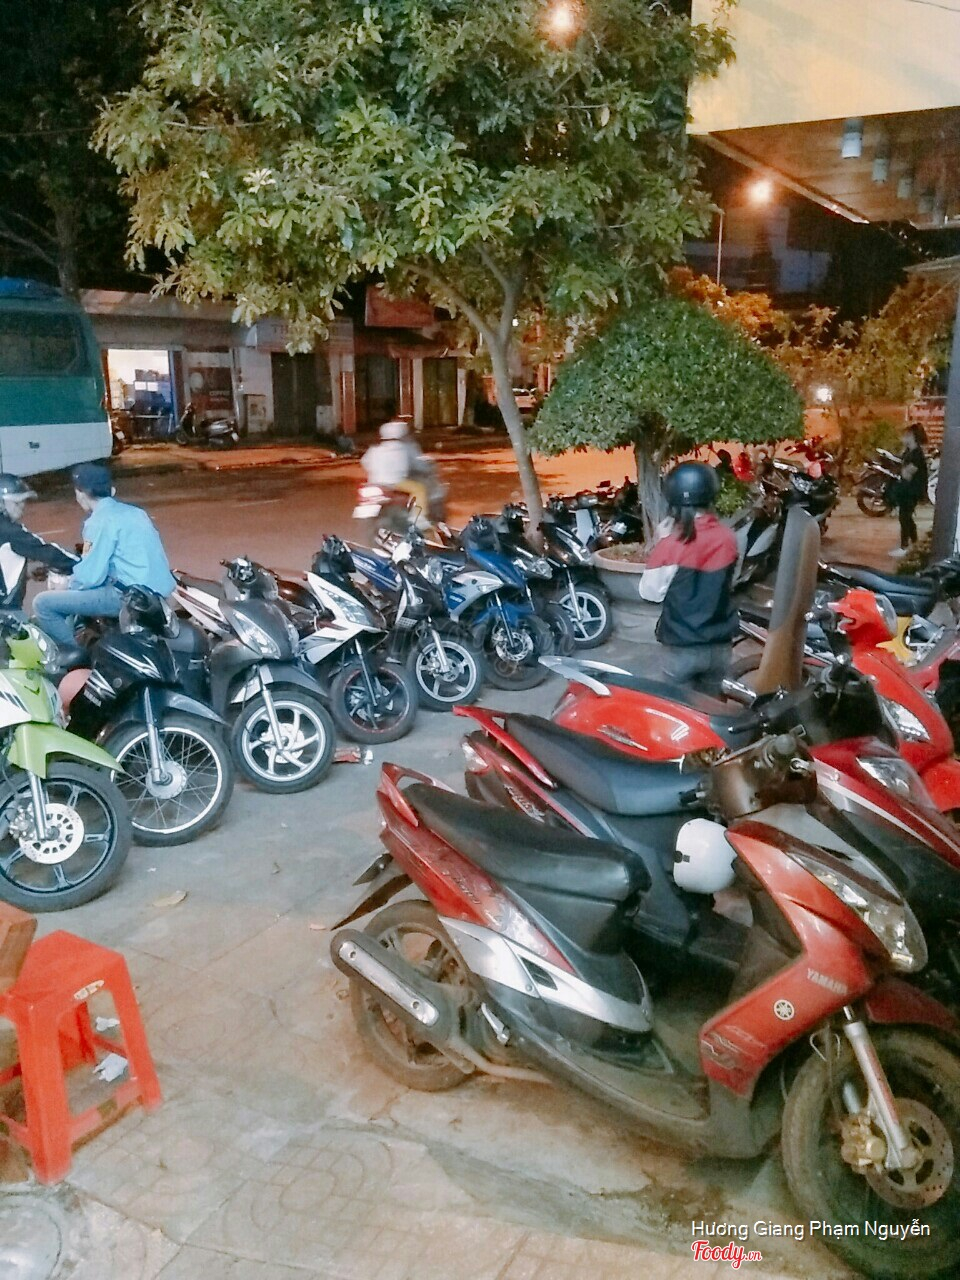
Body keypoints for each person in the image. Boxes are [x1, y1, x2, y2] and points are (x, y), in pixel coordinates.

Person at [33, 463, 175, 647]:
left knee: (43, 603)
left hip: (129, 598)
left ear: (81, 493)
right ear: (111, 490)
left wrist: (67, 585)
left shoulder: (99, 521)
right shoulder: (136, 513)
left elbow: (90, 577)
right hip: (159, 593)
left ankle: (74, 656)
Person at [638, 462, 738, 695]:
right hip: (720, 647)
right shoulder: (728, 538)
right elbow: (730, 582)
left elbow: (650, 593)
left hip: (681, 649)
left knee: (679, 708)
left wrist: (662, 542)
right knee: (710, 707)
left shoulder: (671, 544)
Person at [0, 475, 77, 609]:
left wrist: (27, 573)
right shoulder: (10, 531)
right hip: (5, 610)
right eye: (17, 502)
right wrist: (80, 565)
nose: (22, 506)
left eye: (24, 501)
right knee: (46, 609)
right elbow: (48, 552)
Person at [890, 423, 928, 558]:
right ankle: (914, 544)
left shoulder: (917, 454)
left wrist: (900, 469)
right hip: (906, 489)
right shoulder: (908, 452)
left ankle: (905, 546)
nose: (903, 438)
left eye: (906, 435)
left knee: (905, 517)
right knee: (906, 516)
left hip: (912, 490)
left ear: (913, 437)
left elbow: (907, 474)